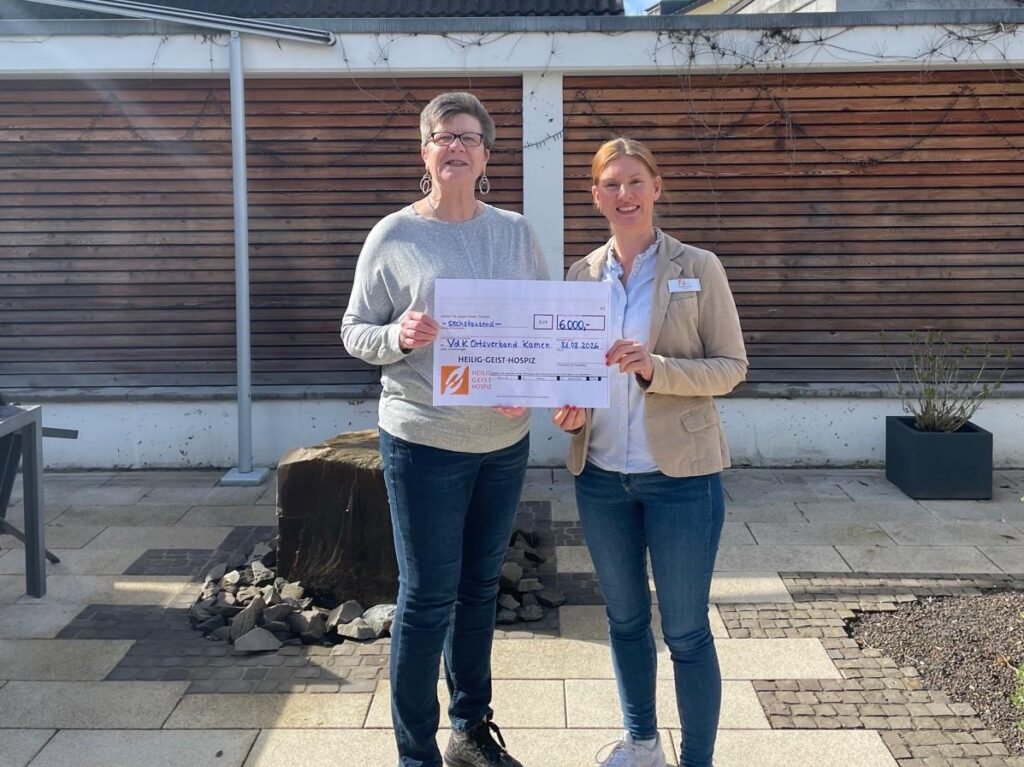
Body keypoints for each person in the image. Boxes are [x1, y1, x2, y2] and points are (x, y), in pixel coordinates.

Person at [341, 92, 547, 767]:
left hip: (502, 445)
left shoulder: (514, 232)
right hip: (423, 440)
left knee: (479, 589)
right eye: (441, 136)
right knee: (427, 597)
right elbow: (354, 330)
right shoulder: (394, 235)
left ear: (486, 156)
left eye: (467, 137)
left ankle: (469, 730)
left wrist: (532, 385)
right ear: (424, 152)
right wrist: (397, 336)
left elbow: (540, 326)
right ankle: (415, 753)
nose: (455, 146)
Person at [553, 137, 747, 767]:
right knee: (625, 621)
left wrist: (656, 367)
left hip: (681, 477)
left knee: (686, 630)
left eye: (635, 181)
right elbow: (572, 374)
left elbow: (731, 367)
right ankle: (641, 744)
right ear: (595, 196)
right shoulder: (580, 275)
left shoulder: (700, 266)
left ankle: (697, 760)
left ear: (657, 188)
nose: (625, 194)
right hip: (601, 476)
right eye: (611, 184)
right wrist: (570, 411)